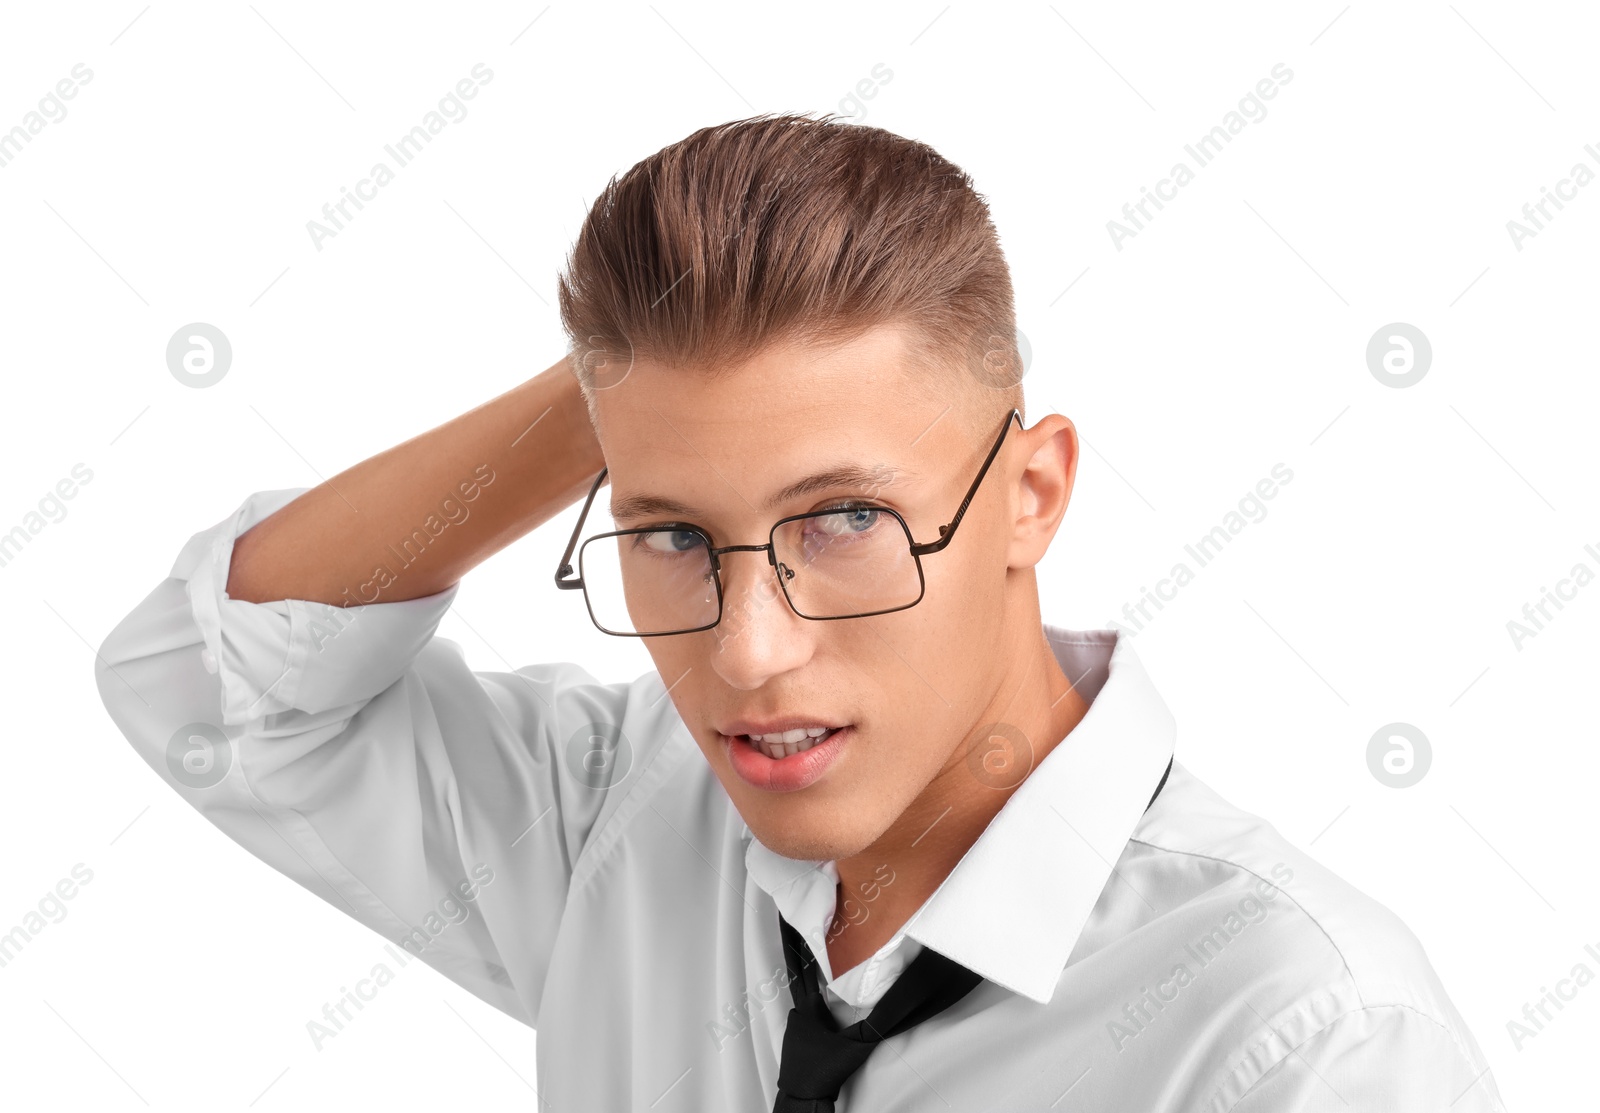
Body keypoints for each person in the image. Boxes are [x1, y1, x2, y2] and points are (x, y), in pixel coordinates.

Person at [96, 113, 1505, 1111]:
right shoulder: (622, 824)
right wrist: (610, 391)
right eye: (668, 533)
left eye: (844, 521)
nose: (749, 659)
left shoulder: (1309, 1035)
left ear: (1030, 492)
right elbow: (216, 683)